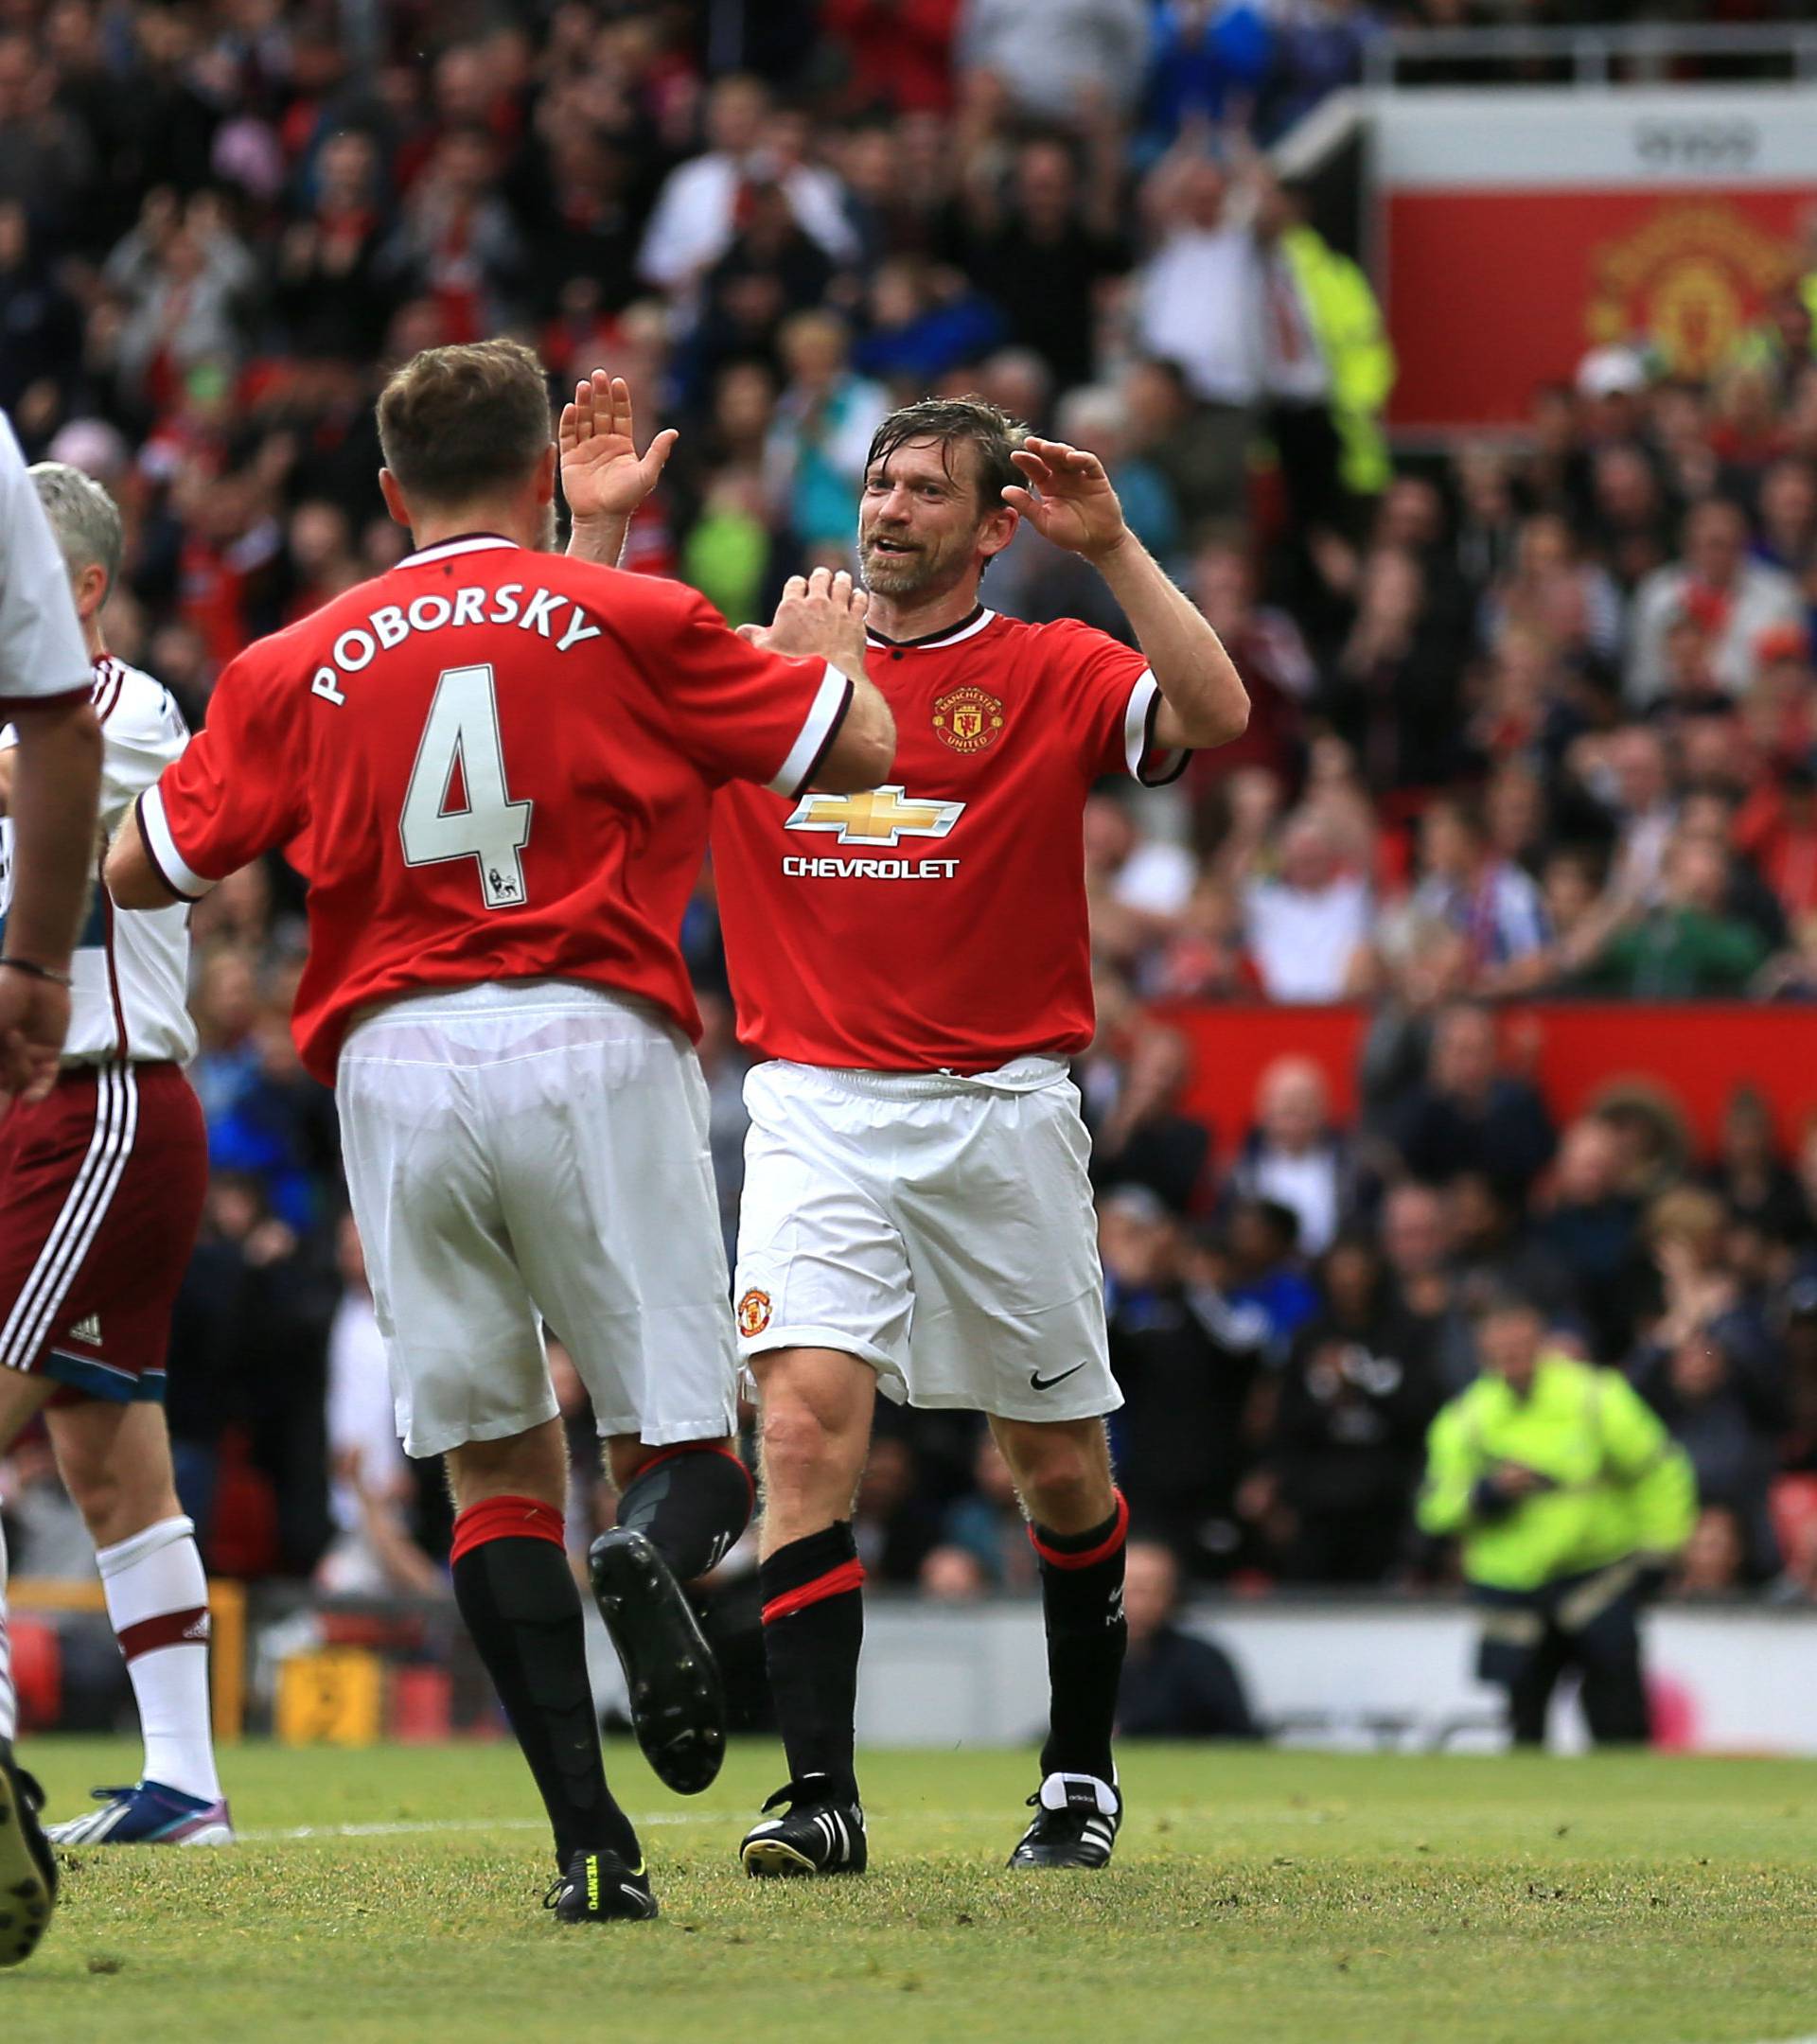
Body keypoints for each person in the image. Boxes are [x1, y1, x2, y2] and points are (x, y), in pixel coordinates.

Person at [107, 344, 893, 1929]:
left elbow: (143, 870)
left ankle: (592, 1851)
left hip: (395, 1062)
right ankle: (653, 1560)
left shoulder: (298, 657)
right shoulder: (640, 616)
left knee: (489, 1467)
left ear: (389, 494)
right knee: (690, 1460)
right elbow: (858, 759)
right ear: (542, 474)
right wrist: (834, 651)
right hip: (594, 1031)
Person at [570, 387, 1248, 1875]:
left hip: (1003, 1109)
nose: (887, 510)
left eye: (929, 491)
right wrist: (601, 524)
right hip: (812, 1103)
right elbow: (583, 678)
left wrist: (1121, 551)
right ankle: (821, 1796)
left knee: (1059, 1471)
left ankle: (1078, 1777)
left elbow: (1213, 714)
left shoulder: (1053, 666)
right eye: (880, 484)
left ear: (999, 526)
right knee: (803, 1429)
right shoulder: (764, 666)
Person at [1, 464, 226, 1852]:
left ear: (77, 587)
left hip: (107, 1108)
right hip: (41, 1115)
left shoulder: (127, 709)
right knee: (108, 1463)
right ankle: (185, 1785)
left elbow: (43, 779)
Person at [0, 410, 103, 1968]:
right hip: (70, 1068)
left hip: (113, 1106)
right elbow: (61, 725)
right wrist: (32, 964)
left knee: (105, 1451)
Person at [1417, 1289, 1695, 1748]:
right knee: (1524, 1730)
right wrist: (1489, 1493)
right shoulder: (1465, 1420)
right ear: (1482, 1352)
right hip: (1513, 1593)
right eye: (1500, 1352)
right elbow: (1434, 1510)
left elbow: (1659, 1469)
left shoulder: (1593, 1396)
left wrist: (1660, 1549)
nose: (1514, 1360)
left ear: (1541, 1342)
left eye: (1522, 1348)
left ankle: (1631, 1811)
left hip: (1598, 1580)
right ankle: (1529, 1819)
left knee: (1620, 1723)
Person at [1117, 1541, 1259, 1739]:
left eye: (1148, 1591)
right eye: (1125, 1591)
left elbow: (1242, 1736)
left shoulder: (1202, 1660)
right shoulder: (1085, 1659)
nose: (1137, 1604)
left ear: (1172, 1594)